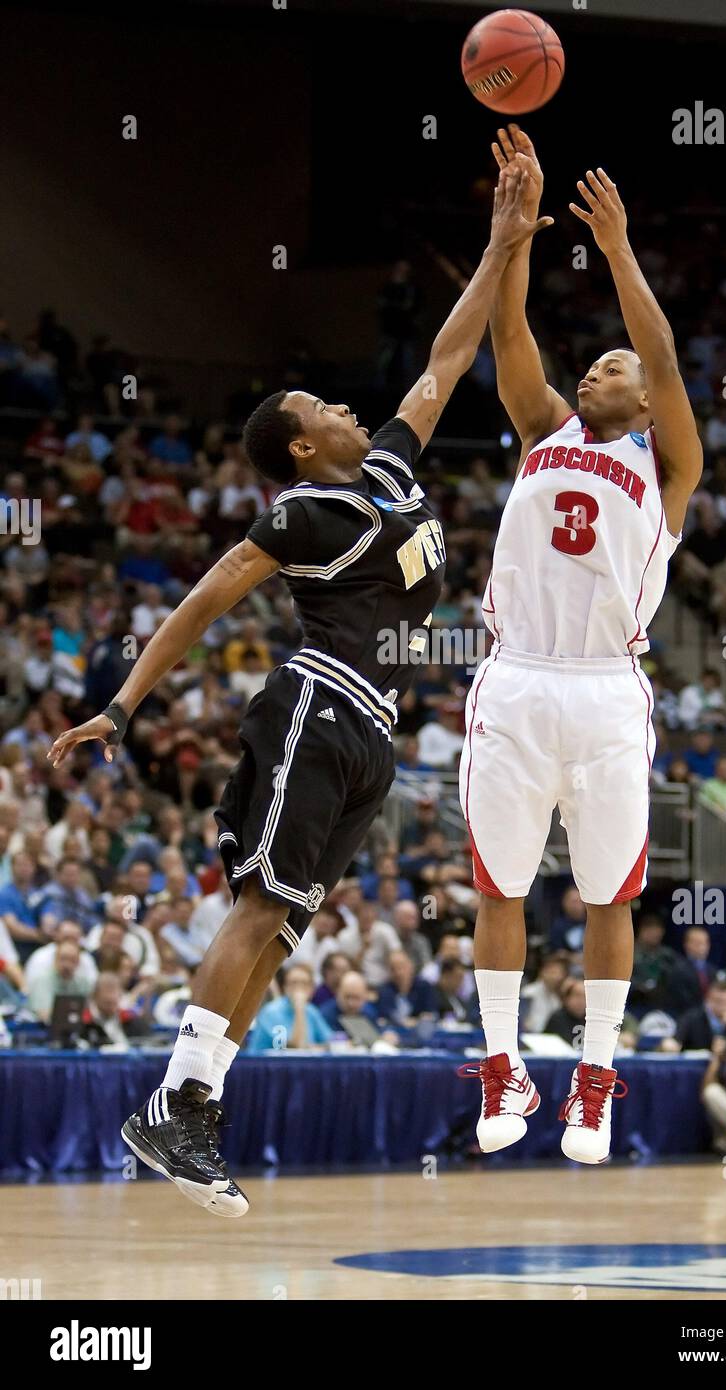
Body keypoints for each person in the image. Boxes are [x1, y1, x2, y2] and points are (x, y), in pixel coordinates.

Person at [46, 168, 550, 1218]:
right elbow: (204, 600)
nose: (344, 403)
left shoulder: (394, 467)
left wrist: (503, 239)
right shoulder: (304, 513)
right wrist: (124, 705)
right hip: (315, 706)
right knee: (259, 903)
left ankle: (195, 1113)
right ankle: (171, 1101)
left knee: (283, 933)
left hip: (374, 734)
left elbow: (449, 355)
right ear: (301, 448)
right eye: (322, 406)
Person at [457, 127, 702, 1163]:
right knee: (495, 888)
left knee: (610, 894)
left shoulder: (669, 462)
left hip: (606, 689)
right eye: (591, 359)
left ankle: (594, 1076)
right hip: (514, 679)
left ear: (642, 402)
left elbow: (658, 351)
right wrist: (511, 227)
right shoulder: (540, 428)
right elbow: (505, 330)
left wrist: (615, 248)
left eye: (615, 364)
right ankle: (505, 1062)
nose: (598, 364)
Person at [246, 963, 332, 1052]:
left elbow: (332, 1043)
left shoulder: (311, 1011)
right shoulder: (271, 1011)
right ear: (285, 988)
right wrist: (299, 1009)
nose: (299, 988)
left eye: (304, 983)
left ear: (312, 989)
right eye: (294, 983)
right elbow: (295, 1048)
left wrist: (319, 1047)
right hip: (263, 1064)